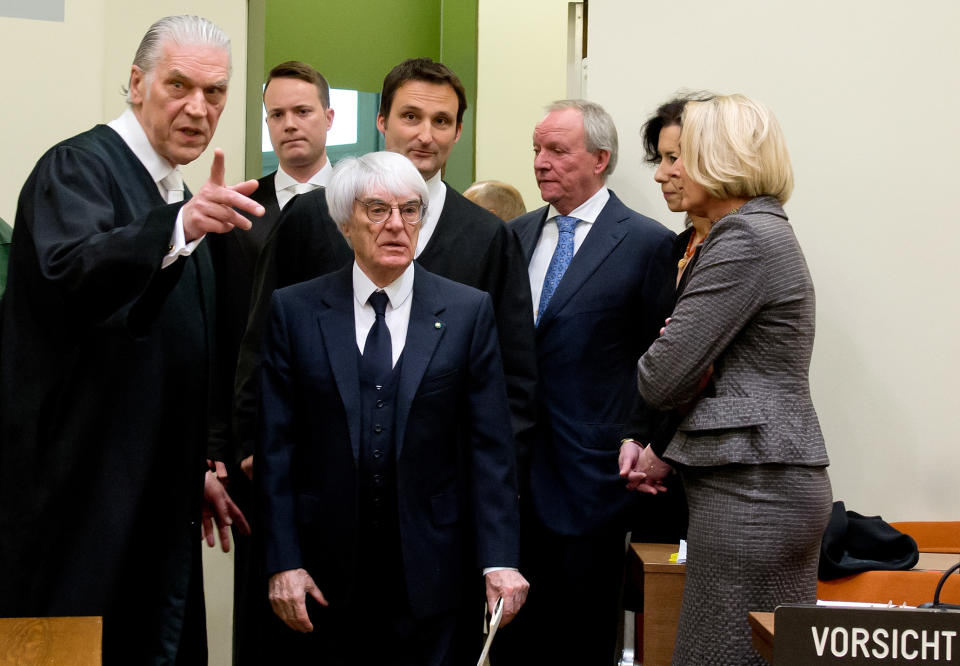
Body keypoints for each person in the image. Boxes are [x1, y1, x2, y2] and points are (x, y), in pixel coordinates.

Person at [0, 15, 260, 664]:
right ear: (137, 83)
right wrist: (176, 228)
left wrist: (188, 462)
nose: (198, 109)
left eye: (215, 93)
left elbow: (158, 349)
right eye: (179, 85)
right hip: (76, 507)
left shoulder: (178, 197)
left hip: (152, 496)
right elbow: (77, 271)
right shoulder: (79, 170)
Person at [257, 151, 528, 665]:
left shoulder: (468, 311)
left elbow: (491, 448)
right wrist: (283, 561)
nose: (396, 225)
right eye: (377, 210)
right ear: (345, 223)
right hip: (324, 572)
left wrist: (499, 559)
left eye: (410, 211)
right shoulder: (294, 311)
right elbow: (276, 448)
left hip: (435, 566)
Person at [233, 57, 536, 494]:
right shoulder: (313, 217)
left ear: (458, 132)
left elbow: (514, 376)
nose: (425, 135)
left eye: (442, 120)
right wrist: (250, 440)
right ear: (381, 120)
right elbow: (261, 337)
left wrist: (496, 480)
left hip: (440, 491)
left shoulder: (488, 237)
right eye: (410, 116)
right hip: (321, 480)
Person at [619, 94, 832, 664]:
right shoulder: (758, 230)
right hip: (759, 483)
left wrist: (682, 353)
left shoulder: (740, 238)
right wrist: (689, 357)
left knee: (721, 654)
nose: (669, 170)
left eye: (682, 155)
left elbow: (659, 378)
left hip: (755, 489)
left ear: (721, 157)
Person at [494, 99, 675, 664]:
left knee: (580, 640)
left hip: (592, 480)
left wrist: (645, 442)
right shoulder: (514, 236)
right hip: (511, 480)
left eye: (557, 150)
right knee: (509, 640)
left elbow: (662, 360)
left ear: (600, 158)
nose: (540, 162)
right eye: (536, 149)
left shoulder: (647, 243)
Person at [204, 59, 349, 665]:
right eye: (277, 116)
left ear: (330, 118)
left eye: (303, 111)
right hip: (256, 451)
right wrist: (224, 444)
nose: (290, 125)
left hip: (347, 446)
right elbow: (218, 338)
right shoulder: (236, 210)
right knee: (264, 622)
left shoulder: (365, 204)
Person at [620, 94, 715, 545]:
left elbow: (703, 367)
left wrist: (662, 450)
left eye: (674, 158)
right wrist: (635, 439)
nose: (660, 174)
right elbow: (650, 354)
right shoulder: (672, 249)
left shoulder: (737, 251)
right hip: (655, 467)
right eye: (660, 159)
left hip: (708, 466)